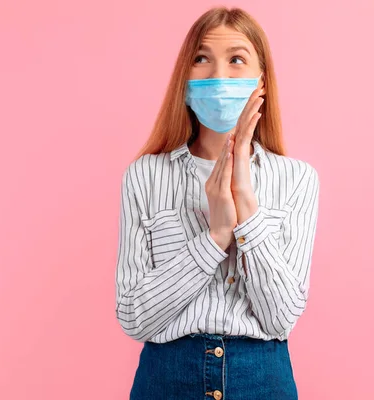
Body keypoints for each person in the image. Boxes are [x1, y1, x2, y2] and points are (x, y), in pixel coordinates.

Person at [115, 6, 320, 400]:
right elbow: (133, 316)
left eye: (236, 59)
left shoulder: (297, 179)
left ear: (262, 81)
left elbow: (281, 317)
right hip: (166, 379)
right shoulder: (145, 175)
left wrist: (244, 198)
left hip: (262, 378)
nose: (219, 75)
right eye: (202, 58)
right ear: (185, 78)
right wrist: (215, 237)